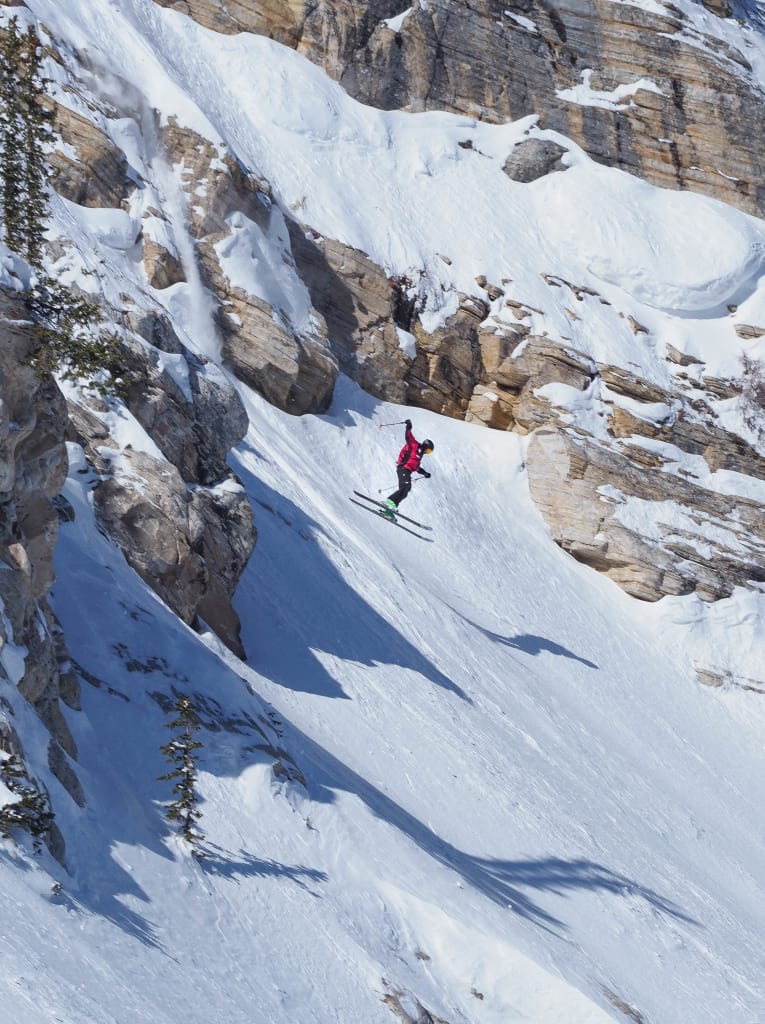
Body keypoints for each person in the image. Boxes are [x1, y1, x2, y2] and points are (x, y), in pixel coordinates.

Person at [381, 420, 434, 517]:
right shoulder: (414, 445)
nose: (428, 452)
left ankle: (389, 510)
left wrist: (425, 473)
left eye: (430, 452)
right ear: (426, 445)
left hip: (408, 472)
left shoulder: (419, 457)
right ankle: (389, 502)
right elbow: (408, 436)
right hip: (403, 468)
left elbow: (417, 468)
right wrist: (409, 426)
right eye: (429, 450)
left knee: (406, 491)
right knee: (406, 486)